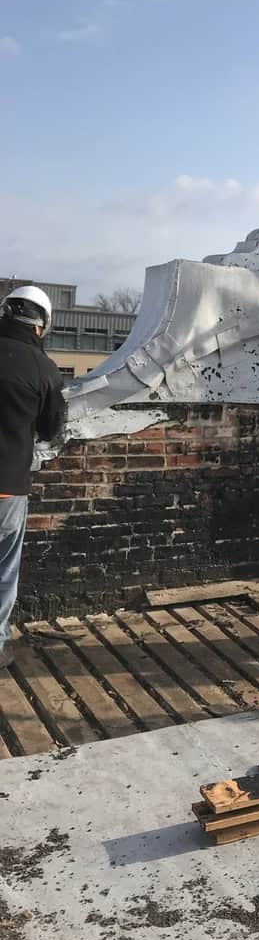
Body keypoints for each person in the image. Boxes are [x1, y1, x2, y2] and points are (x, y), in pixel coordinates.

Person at [0, 286, 65, 668]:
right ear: (41, 326)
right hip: (6, 486)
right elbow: (52, 428)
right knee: (3, 570)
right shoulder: (44, 369)